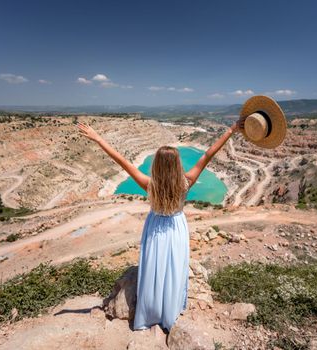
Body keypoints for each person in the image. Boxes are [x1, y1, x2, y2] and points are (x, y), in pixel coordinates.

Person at [77, 120, 242, 332]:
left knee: (154, 268)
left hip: (155, 227)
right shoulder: (186, 182)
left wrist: (99, 138)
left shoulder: (149, 185)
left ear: (157, 165)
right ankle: (169, 312)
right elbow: (208, 154)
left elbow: (122, 162)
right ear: (176, 165)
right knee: (174, 268)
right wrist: (231, 130)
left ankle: (150, 311)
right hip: (176, 227)